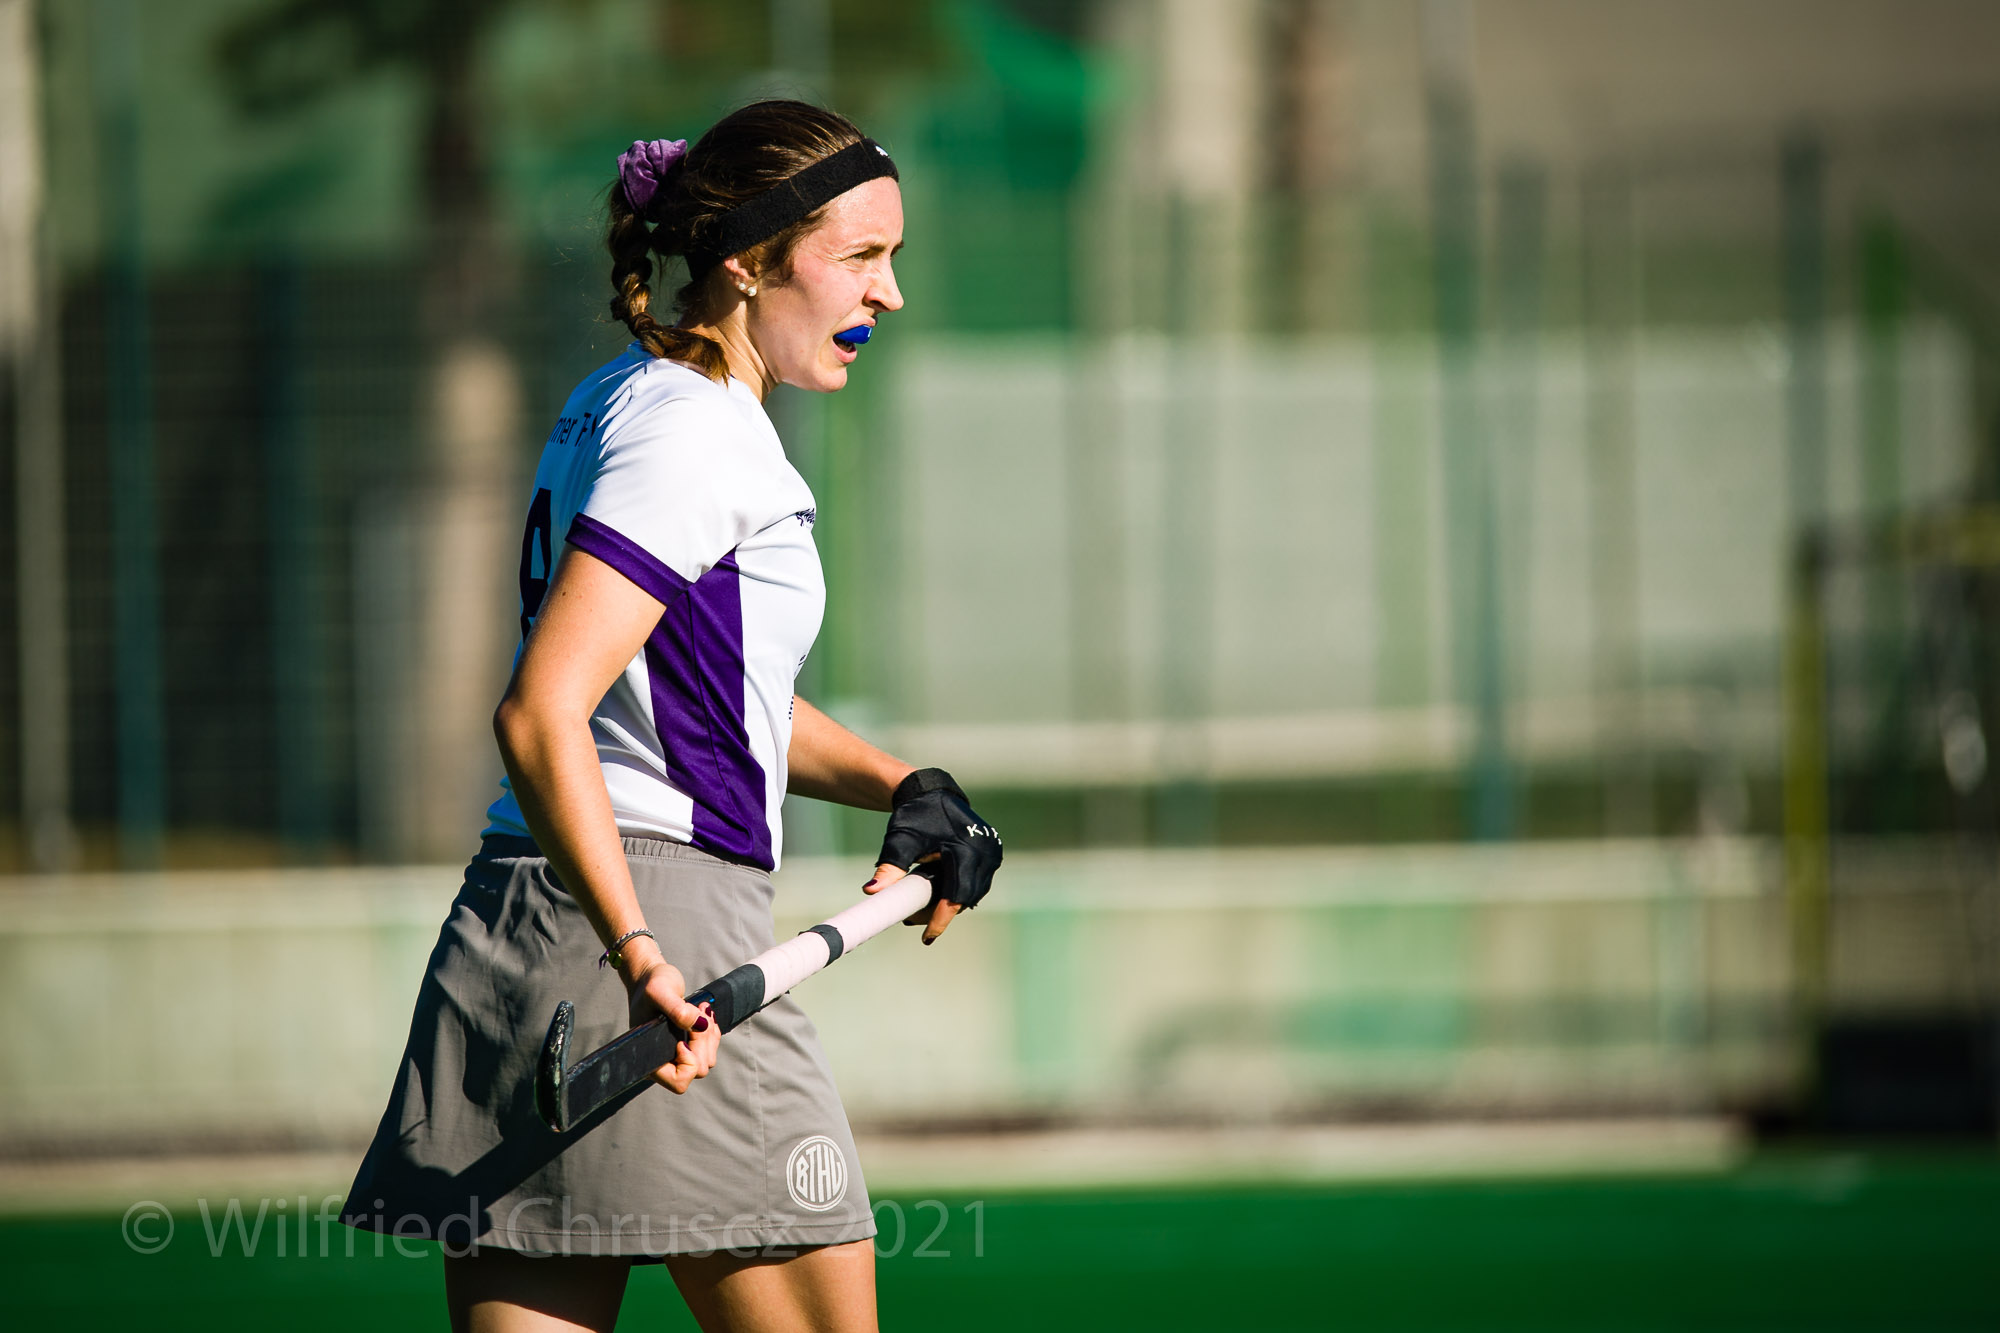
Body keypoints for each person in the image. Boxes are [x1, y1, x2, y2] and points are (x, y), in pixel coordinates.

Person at [340, 100, 1003, 1333]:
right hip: (653, 931)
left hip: (524, 924)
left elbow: (705, 694)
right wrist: (643, 957)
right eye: (860, 256)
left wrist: (903, 784)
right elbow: (542, 710)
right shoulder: (700, 437)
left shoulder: (625, 401)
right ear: (747, 263)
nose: (889, 292)